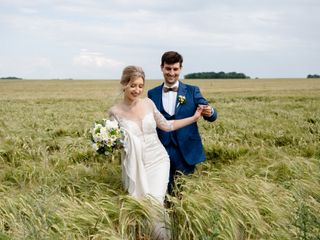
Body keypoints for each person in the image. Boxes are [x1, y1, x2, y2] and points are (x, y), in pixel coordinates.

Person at [108, 65, 203, 239]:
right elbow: (115, 144)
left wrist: (193, 118)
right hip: (135, 164)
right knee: (141, 205)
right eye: (133, 85)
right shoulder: (114, 113)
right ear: (124, 84)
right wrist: (104, 143)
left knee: (155, 202)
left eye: (140, 86)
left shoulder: (148, 104)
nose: (137, 90)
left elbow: (167, 125)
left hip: (158, 160)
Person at [148, 51, 218, 194]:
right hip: (161, 151)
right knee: (162, 192)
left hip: (186, 151)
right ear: (162, 67)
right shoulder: (152, 93)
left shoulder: (192, 91)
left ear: (180, 69)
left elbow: (210, 113)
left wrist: (210, 111)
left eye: (175, 69)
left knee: (184, 193)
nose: (172, 73)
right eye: (168, 68)